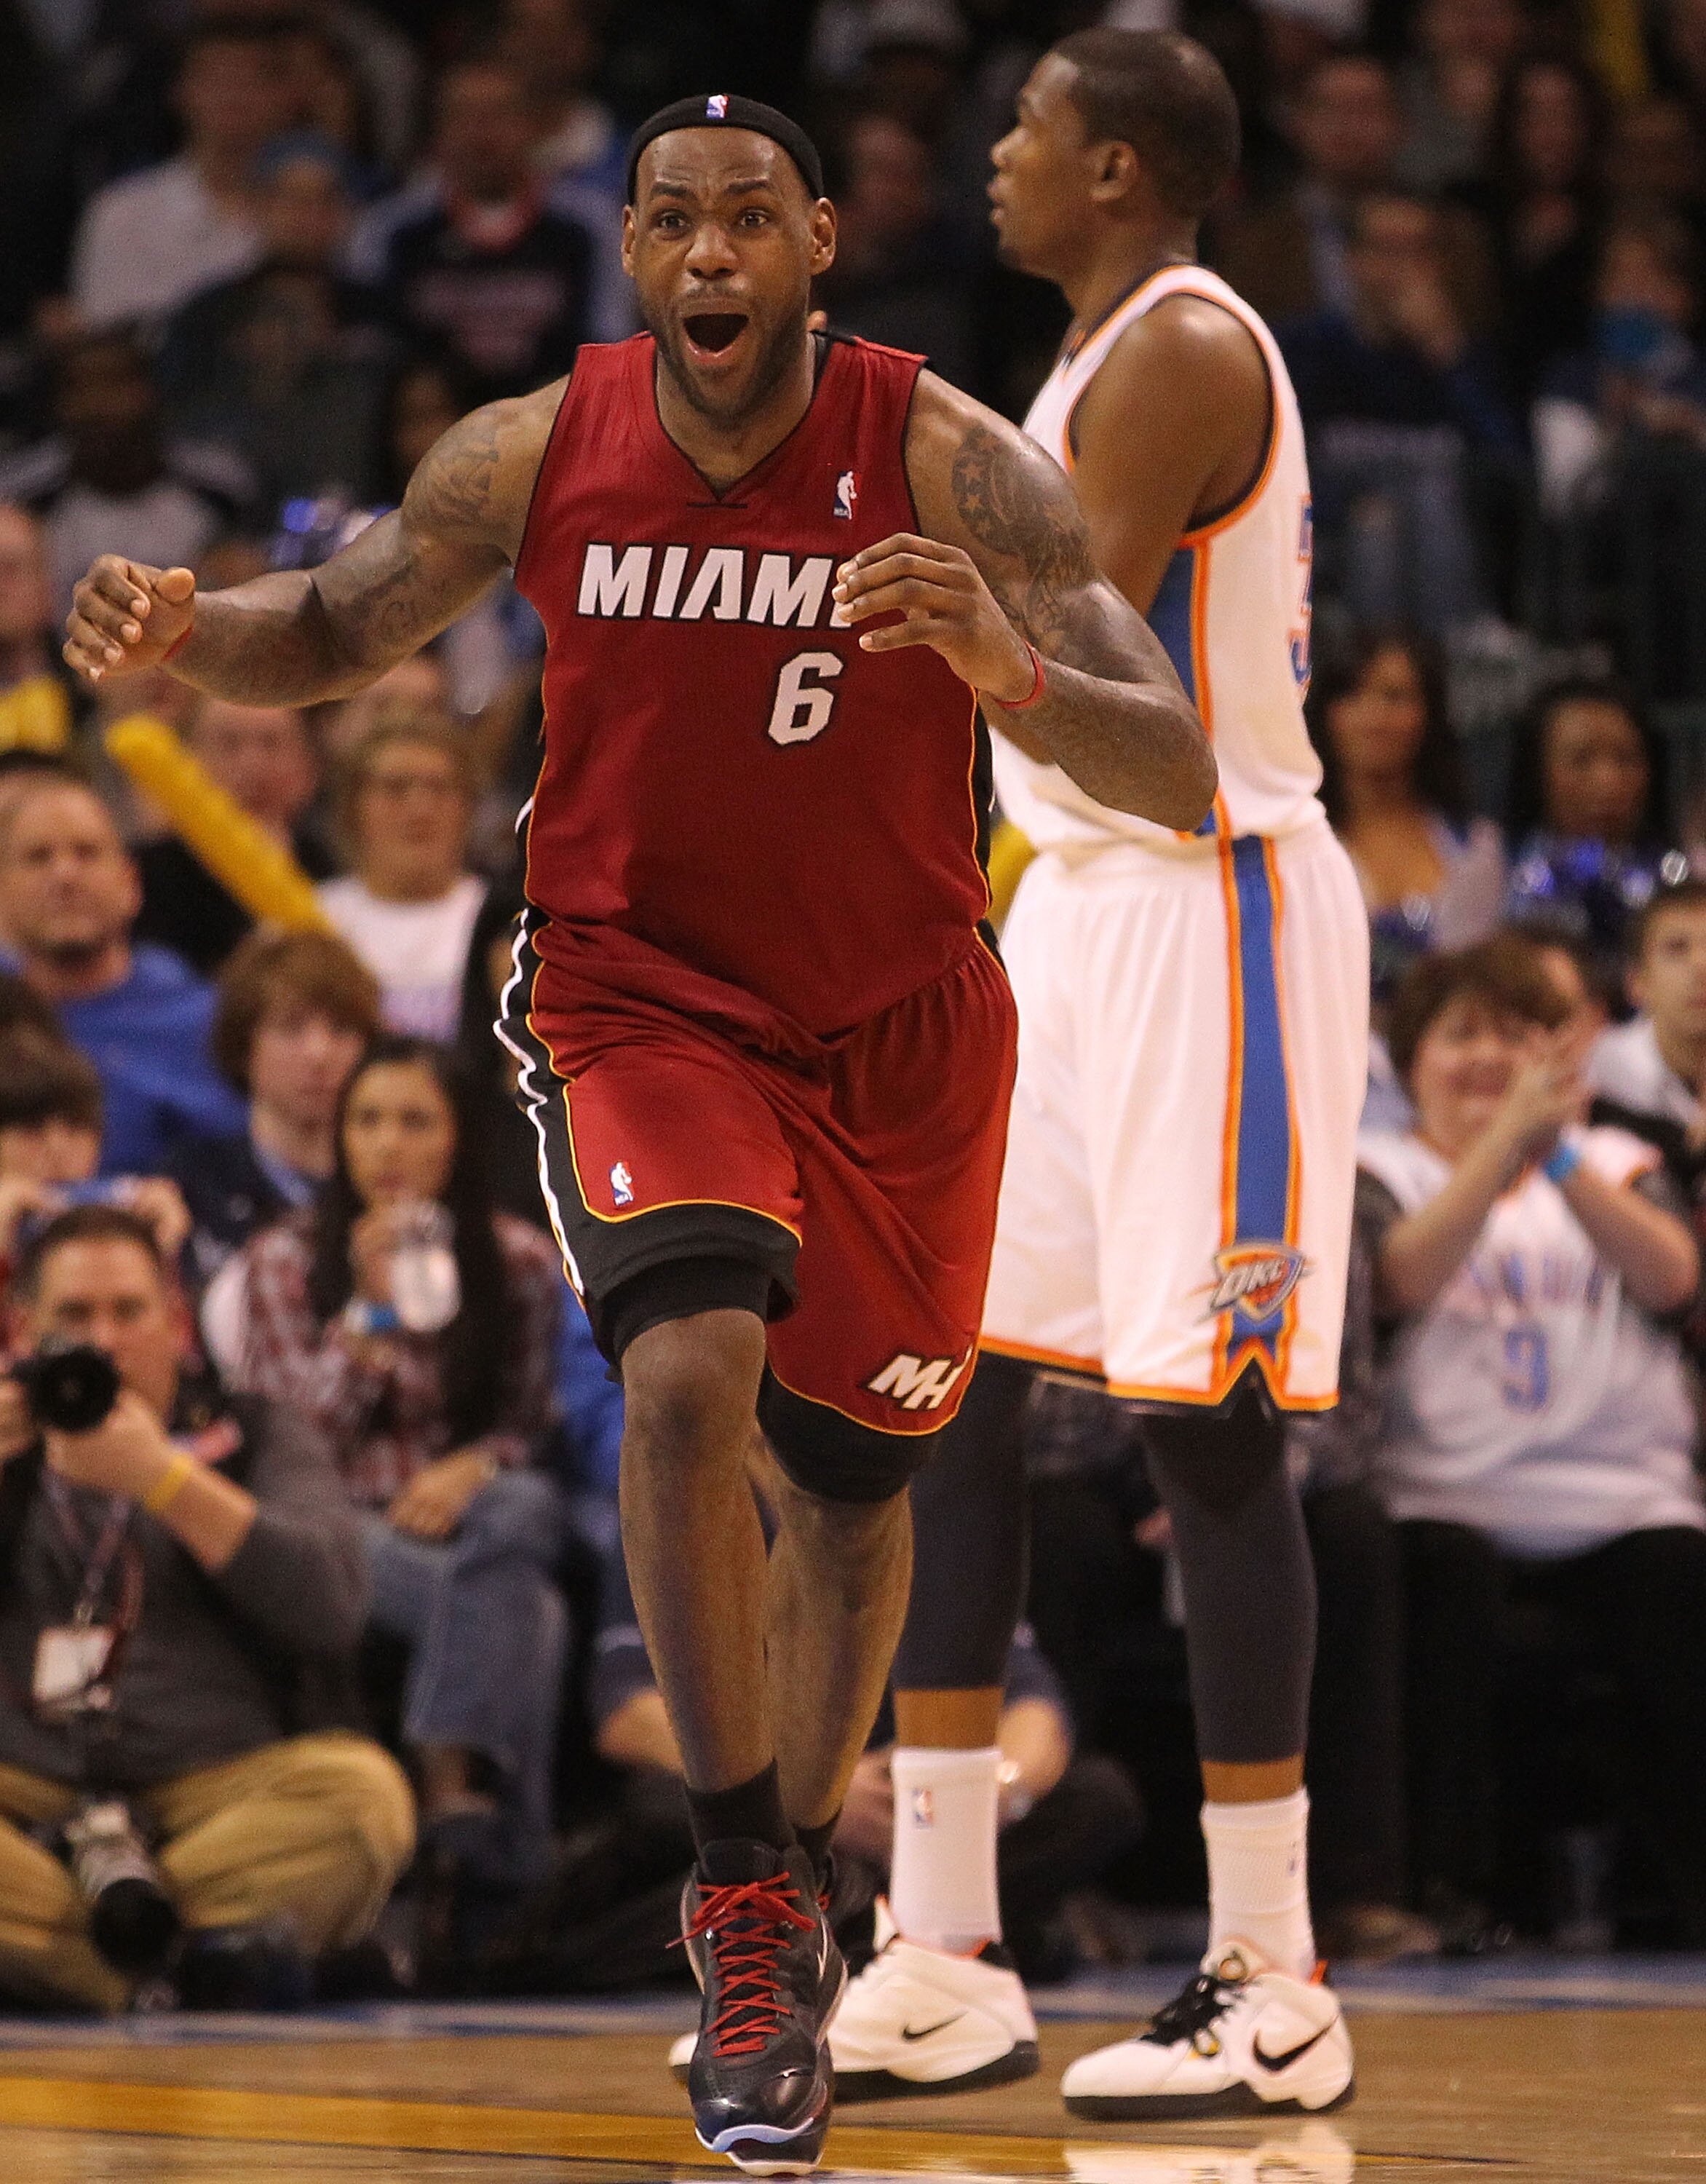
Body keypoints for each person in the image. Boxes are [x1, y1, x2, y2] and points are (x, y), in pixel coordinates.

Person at [60, 87, 1210, 2176]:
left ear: (818, 243)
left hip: (905, 1031)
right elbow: (337, 622)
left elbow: (1178, 763)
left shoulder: (950, 457)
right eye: (670, 219)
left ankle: (802, 1877)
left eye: (748, 219)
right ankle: (748, 1895)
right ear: (630, 252)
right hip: (641, 995)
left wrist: (1004, 664)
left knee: (859, 1496)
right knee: (691, 1371)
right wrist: (179, 633)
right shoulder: (532, 449)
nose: (707, 255)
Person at [857, 29, 1362, 2124]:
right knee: (953, 1391)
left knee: (1212, 1433)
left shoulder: (1177, 349)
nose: (994, 160)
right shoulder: (1078, 358)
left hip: (1210, 908)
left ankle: (1273, 1977)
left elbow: (1101, 686)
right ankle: (946, 1945)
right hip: (1068, 903)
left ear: (1123, 166)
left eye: (1028, 132)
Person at [1358, 938, 1706, 1944]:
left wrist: (1551, 1154)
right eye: (1460, 1035)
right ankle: (1447, 1894)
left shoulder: (1616, 1162)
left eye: (1512, 1039)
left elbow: (1675, 1279)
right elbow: (1399, 1282)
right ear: (1410, 1060)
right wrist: (1495, 1153)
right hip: (1446, 1497)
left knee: (1680, 1584)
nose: (1484, 1060)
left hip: (1619, 1501)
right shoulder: (1381, 1169)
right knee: (1439, 1585)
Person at [0, 1203, 415, 2012]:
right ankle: (176, 1964)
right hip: (27, 1789)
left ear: (177, 1322)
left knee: (364, 1799)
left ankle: (78, 1964)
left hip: (218, 1793)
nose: (105, 1342)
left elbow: (333, 1607)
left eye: (129, 1311)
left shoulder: (254, 1432)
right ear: (22, 1331)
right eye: (74, 1316)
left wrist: (164, 1479)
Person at [219, 1036, 567, 1885]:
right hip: (339, 1526)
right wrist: (369, 1317)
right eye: (367, 1121)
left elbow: (534, 1420)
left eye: (415, 1122)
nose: (387, 1146)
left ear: (459, 1138)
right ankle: (489, 1840)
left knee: (522, 1507)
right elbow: (289, 1439)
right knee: (537, 1615)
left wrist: (472, 1468)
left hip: (467, 1523)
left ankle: (460, 1839)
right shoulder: (285, 1258)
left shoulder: (518, 1260)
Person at [0, 775, 247, 1176]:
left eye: (87, 853)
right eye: (38, 857)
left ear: (131, 884)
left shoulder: (211, 1020)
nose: (65, 875)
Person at [0, 331, 257, 628]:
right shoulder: (20, 498)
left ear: (150, 392)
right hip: (56, 668)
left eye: (116, 383)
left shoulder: (222, 489)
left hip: (189, 659)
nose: (99, 404)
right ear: (59, 403)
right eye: (81, 388)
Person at [167, 928, 381, 1286]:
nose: (319, 1054)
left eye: (342, 1030)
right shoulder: (191, 1183)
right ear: (243, 1046)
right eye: (291, 1028)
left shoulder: (394, 1182)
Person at [1308, 624, 1505, 1001]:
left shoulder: (1478, 848)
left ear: (1429, 714)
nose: (1374, 716)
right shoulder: (1292, 848)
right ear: (1327, 711)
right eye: (1352, 693)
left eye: (1395, 697)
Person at [68, 14, 304, 331]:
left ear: (288, 96)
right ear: (182, 92)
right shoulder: (124, 212)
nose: (234, 96)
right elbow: (110, 340)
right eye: (217, 79)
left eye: (253, 79)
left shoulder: (317, 211)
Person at [317, 720, 487, 1042]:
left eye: (439, 788)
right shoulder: (311, 918)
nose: (421, 809)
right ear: (353, 807)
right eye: (395, 787)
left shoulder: (504, 922)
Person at [135, 695, 329, 977]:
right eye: (229, 744)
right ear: (188, 759)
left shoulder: (335, 866)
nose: (253, 765)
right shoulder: (150, 875)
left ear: (308, 766)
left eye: (271, 743)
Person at [1502, 678, 1682, 978]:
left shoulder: (1679, 878)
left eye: (1625, 759)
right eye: (1581, 760)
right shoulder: (1500, 876)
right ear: (1537, 771)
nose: (1607, 781)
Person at [0, 1028, 191, 1291]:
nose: (57, 1147)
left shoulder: (134, 1204)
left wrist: (165, 1255)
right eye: (31, 1129)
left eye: (77, 1127)